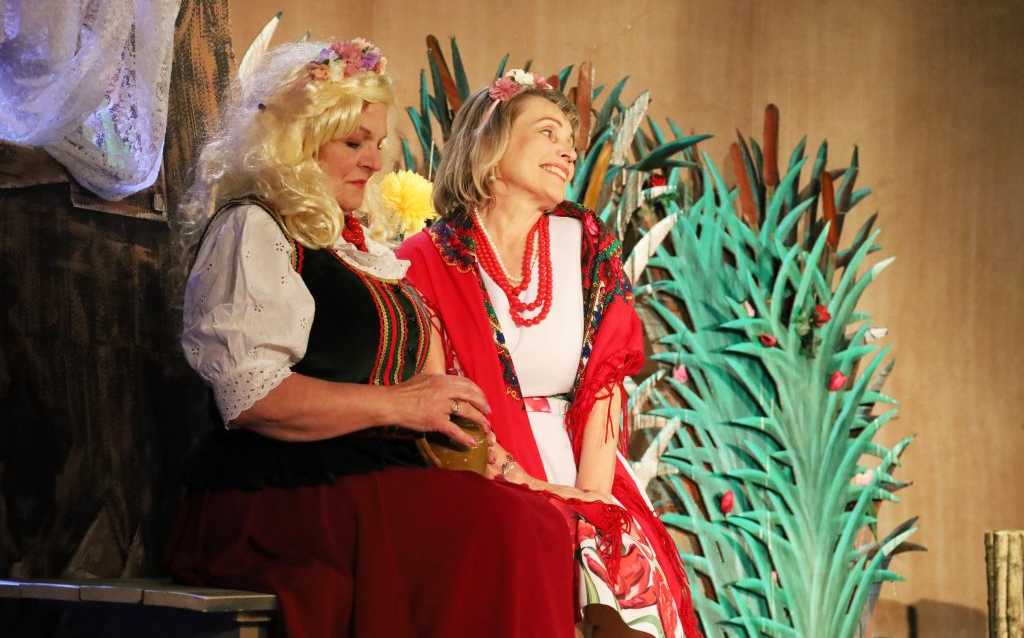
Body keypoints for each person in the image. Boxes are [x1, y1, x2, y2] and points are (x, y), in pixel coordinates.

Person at [165, 40, 577, 638]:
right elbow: (252, 399)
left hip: (365, 477)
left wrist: (460, 429)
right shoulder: (254, 228)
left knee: (539, 521)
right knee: (498, 528)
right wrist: (401, 405)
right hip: (278, 490)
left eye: (378, 144)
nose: (373, 161)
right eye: (354, 143)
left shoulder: (358, 250)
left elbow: (409, 381)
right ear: (302, 141)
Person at [397, 71, 703, 638]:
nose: (568, 151)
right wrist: (524, 483)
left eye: (570, 140)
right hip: (479, 475)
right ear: (490, 147)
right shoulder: (425, 258)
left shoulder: (586, 243)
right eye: (547, 132)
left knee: (620, 582)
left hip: (584, 466)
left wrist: (592, 502)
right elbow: (439, 399)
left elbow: (605, 381)